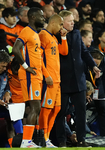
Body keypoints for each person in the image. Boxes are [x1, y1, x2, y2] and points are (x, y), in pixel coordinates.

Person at [55, 10, 100, 147]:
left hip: (78, 79)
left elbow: (84, 52)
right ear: (62, 22)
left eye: (73, 20)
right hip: (62, 80)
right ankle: (61, 141)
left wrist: (93, 66)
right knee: (61, 112)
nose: (73, 23)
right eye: (70, 21)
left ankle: (81, 139)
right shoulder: (55, 36)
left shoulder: (76, 33)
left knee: (81, 112)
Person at [12, 7, 46, 148]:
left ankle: (27, 140)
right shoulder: (26, 31)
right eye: (41, 16)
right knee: (35, 107)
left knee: (33, 108)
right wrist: (26, 67)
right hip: (29, 75)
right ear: (32, 17)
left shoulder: (35, 33)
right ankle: (26, 142)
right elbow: (15, 49)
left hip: (36, 76)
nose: (44, 19)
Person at [38, 14, 68, 148]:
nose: (62, 27)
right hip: (49, 79)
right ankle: (42, 138)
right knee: (46, 109)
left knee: (56, 109)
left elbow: (64, 51)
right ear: (54, 22)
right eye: (61, 24)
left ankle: (47, 137)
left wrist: (63, 37)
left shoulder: (53, 37)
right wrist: (46, 75)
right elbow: (38, 57)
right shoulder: (43, 35)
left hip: (57, 80)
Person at [86, 49, 105, 138]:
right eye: (94, 64)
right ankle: (81, 135)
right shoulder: (83, 62)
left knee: (102, 110)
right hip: (85, 88)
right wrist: (85, 93)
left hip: (98, 88)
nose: (96, 66)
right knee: (80, 111)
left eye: (98, 64)